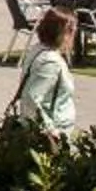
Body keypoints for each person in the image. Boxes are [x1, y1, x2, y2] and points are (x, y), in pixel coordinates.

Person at [13, 7, 81, 135]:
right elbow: (31, 98)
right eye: (73, 32)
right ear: (64, 33)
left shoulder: (38, 49)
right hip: (52, 131)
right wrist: (51, 131)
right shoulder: (50, 62)